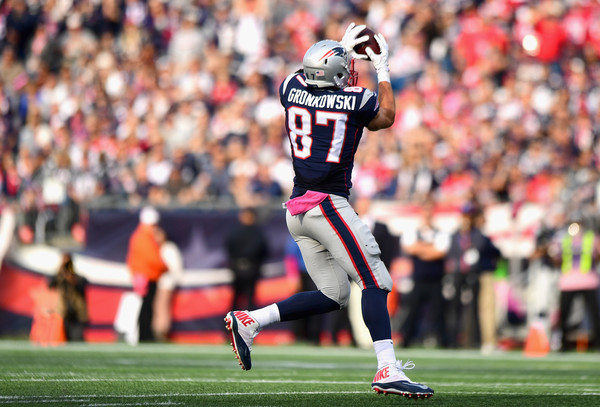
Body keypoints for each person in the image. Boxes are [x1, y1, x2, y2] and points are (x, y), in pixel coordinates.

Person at [225, 23, 434, 399]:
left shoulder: (290, 89)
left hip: (297, 210)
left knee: (333, 293)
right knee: (375, 280)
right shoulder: (354, 99)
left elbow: (308, 75)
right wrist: (382, 68)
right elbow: (385, 116)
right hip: (327, 204)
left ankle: (251, 320)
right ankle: (387, 367)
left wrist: (338, 48)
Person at [446, 203, 501, 350]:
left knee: (479, 308)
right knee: (456, 308)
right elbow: (452, 253)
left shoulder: (478, 235)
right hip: (459, 274)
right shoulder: (456, 235)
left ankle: (478, 340)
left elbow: (490, 250)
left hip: (477, 274)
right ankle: (454, 339)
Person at [400, 202, 450, 348]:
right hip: (419, 280)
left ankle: (444, 341)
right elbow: (410, 248)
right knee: (412, 311)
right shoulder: (413, 232)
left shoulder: (441, 233)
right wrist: (429, 248)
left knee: (439, 313)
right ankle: (407, 339)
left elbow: (439, 252)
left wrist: (421, 248)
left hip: (436, 280)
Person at [548, 214, 600, 351]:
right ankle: (563, 342)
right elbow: (556, 257)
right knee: (564, 313)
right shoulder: (563, 239)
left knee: (594, 313)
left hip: (587, 280)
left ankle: (597, 342)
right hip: (569, 281)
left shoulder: (591, 238)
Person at [126, 206, 168, 342]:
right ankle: (145, 335)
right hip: (147, 277)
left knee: (146, 307)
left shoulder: (141, 236)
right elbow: (153, 259)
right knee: (146, 307)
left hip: (147, 276)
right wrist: (164, 267)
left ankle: (145, 334)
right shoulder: (143, 237)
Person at [226, 207, 269, 311]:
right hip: (240, 268)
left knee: (248, 300)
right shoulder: (237, 232)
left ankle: (249, 324)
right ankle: (232, 324)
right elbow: (229, 248)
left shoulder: (257, 233)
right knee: (237, 298)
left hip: (250, 268)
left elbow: (263, 250)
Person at [49, 253, 88, 341]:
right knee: (61, 340)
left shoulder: (79, 278)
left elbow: (81, 286)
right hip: (63, 314)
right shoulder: (59, 278)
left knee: (77, 340)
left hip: (77, 315)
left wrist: (71, 277)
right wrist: (60, 269)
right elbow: (50, 285)